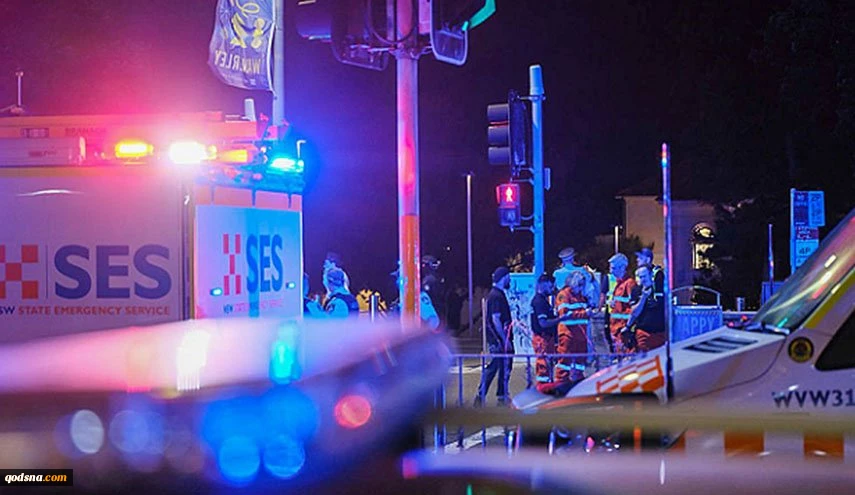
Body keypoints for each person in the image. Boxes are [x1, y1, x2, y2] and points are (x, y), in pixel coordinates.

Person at [474, 266, 514, 407]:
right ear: (504, 277)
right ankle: (485, 396)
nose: (510, 280)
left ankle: (500, 396)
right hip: (498, 340)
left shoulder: (497, 294)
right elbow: (496, 319)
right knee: (497, 366)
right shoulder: (496, 295)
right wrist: (504, 339)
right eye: (508, 277)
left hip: (498, 339)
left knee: (501, 366)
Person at [530, 274, 573, 391]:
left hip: (546, 338)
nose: (552, 289)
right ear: (542, 284)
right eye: (550, 286)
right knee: (543, 366)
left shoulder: (543, 300)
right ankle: (543, 390)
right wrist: (560, 319)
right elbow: (543, 323)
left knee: (548, 365)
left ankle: (546, 387)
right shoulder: (539, 302)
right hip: (542, 339)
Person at [554, 271, 592, 384]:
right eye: (579, 284)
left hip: (580, 335)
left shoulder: (581, 297)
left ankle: (578, 381)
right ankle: (561, 382)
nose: (581, 288)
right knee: (564, 361)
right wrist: (584, 313)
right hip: (568, 335)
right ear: (573, 282)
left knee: (580, 361)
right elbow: (564, 315)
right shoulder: (563, 295)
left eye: (583, 285)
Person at [621, 265, 667, 352]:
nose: (643, 279)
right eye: (640, 277)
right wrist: (644, 297)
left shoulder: (660, 290)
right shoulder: (636, 291)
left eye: (644, 276)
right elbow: (634, 312)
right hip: (643, 333)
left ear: (651, 275)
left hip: (660, 333)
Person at [604, 253, 637, 353]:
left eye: (613, 268)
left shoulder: (629, 283)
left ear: (622, 267)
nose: (611, 271)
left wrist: (627, 326)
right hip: (616, 327)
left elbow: (633, 307)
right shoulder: (619, 283)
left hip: (622, 328)